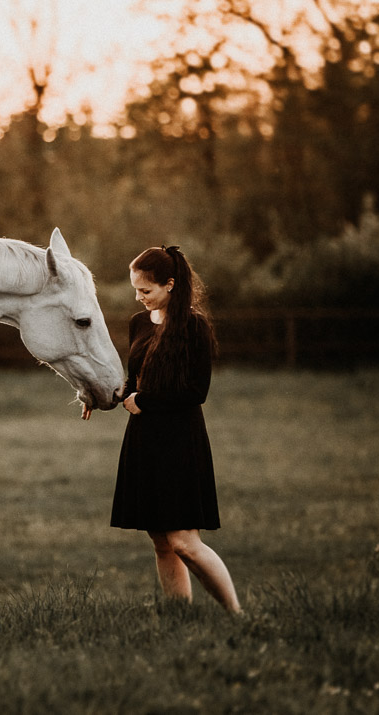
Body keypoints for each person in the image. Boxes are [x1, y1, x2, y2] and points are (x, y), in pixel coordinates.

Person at [107, 245, 241, 612]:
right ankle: (179, 616)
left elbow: (196, 392)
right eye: (136, 290)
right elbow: (132, 382)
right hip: (144, 441)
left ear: (170, 285)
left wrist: (145, 401)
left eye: (146, 291)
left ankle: (237, 614)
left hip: (180, 441)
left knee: (184, 541)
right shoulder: (137, 323)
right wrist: (97, 395)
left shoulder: (194, 327)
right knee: (160, 541)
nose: (139, 297)